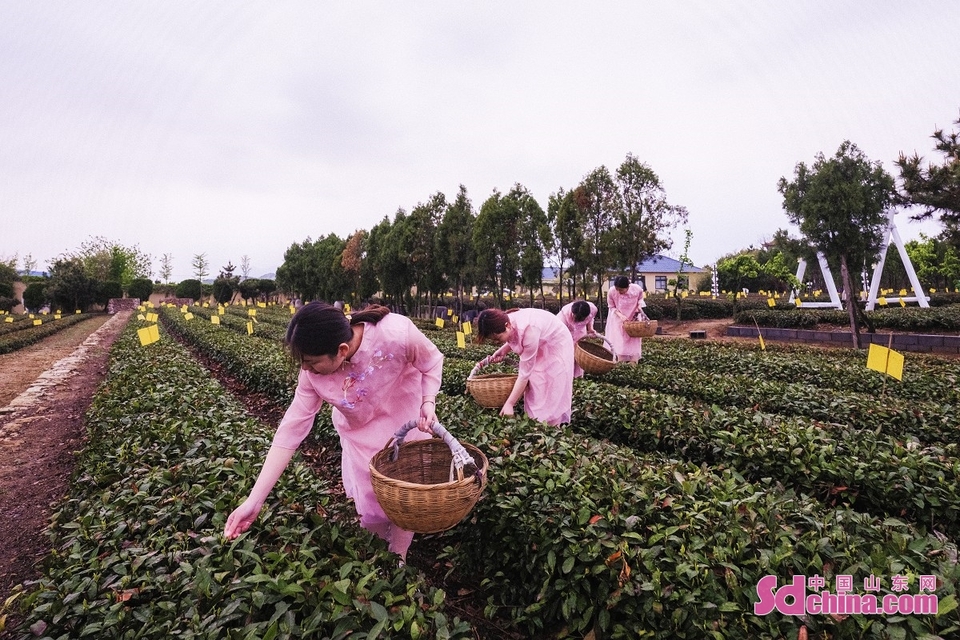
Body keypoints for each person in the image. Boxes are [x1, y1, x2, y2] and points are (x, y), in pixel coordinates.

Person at [223, 302, 442, 562]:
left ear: (341, 350)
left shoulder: (396, 333)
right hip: (362, 440)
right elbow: (290, 431)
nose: (306, 369)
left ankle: (399, 558)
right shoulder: (312, 376)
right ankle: (378, 562)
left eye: (312, 363)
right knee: (370, 509)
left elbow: (431, 361)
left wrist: (428, 401)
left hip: (405, 428)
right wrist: (254, 501)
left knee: (405, 502)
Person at [475, 308, 574, 426]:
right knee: (537, 384)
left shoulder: (529, 330)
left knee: (553, 385)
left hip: (557, 344)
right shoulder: (507, 322)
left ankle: (553, 426)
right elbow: (513, 335)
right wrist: (503, 350)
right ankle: (537, 422)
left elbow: (524, 374)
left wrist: (510, 403)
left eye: (498, 339)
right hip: (541, 341)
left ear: (507, 325)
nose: (497, 342)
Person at [606, 275, 645, 362]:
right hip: (619, 318)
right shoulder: (612, 292)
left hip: (634, 318)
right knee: (620, 340)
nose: (619, 291)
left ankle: (634, 362)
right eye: (617, 289)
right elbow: (611, 307)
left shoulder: (637, 289)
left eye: (621, 290)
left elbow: (640, 299)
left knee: (633, 339)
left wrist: (639, 307)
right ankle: (620, 362)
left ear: (628, 286)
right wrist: (621, 316)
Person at [559, 299, 601, 378]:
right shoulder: (563, 315)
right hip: (567, 333)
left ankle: (578, 378)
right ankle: (567, 377)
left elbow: (591, 318)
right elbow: (560, 333)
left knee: (579, 356)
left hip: (580, 333)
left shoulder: (592, 308)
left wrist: (590, 329)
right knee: (568, 357)